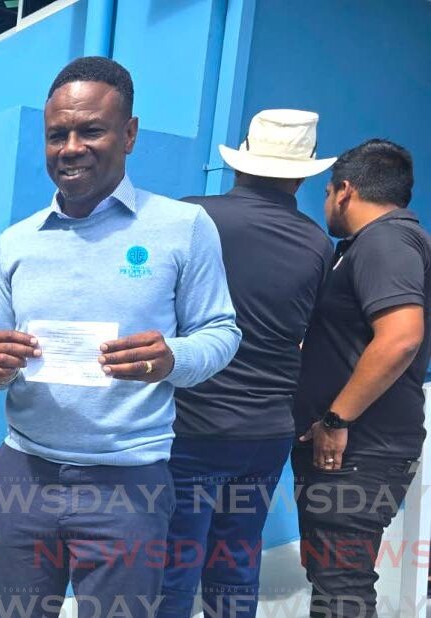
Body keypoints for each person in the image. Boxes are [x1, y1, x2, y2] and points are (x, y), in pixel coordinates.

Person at [0, 56, 241, 617]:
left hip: (128, 483)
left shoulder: (182, 228)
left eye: (91, 130)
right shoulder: (16, 241)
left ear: (130, 134)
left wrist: (172, 357)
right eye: (57, 135)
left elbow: (220, 332)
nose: (71, 148)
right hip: (24, 473)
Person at [159, 109, 336, 617]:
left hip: (191, 426)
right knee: (236, 561)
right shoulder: (316, 243)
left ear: (240, 161)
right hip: (266, 432)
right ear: (302, 175)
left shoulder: (191, 217)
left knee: (173, 564)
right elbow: (309, 337)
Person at [290, 139, 429, 618]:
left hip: (360, 450)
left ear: (345, 190)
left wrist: (336, 419)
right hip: (353, 451)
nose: (327, 202)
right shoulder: (371, 246)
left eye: (328, 192)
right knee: (333, 577)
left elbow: (401, 337)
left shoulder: (385, 241)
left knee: (341, 585)